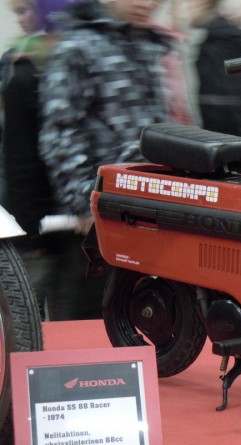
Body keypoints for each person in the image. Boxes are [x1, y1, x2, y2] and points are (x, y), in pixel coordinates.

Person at [38, 0, 185, 320]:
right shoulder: (79, 47)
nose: (146, 4)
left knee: (141, 318)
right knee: (87, 319)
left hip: (144, 209)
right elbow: (61, 132)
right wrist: (83, 200)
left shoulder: (152, 45)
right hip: (96, 215)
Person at [0, 0, 64, 320]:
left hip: (66, 216)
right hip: (35, 218)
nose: (23, 19)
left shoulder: (65, 63)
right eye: (18, 12)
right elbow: (18, 157)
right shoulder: (17, 66)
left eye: (26, 10)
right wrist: (27, 226)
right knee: (27, 314)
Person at [178, 0, 241, 174]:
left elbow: (232, 105)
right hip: (238, 148)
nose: (183, 10)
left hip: (231, 153)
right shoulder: (216, 38)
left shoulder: (219, 42)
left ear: (201, 4)